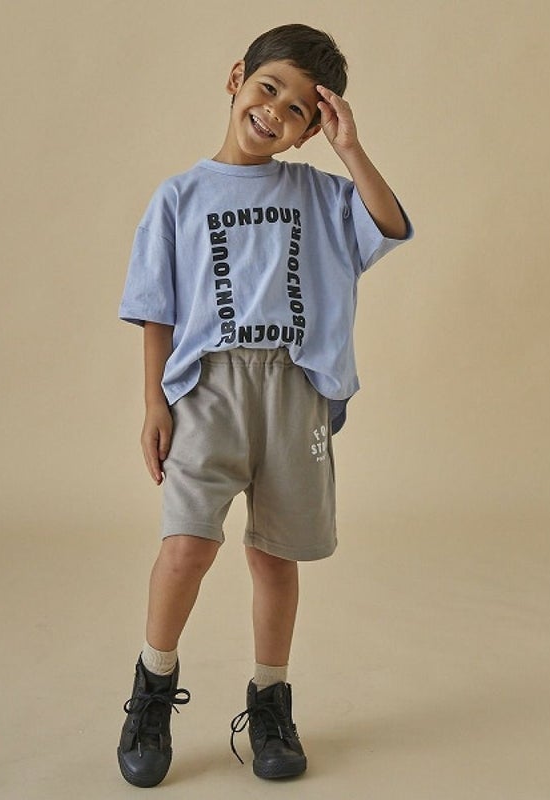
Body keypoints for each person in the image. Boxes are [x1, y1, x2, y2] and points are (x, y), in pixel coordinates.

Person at [116, 23, 413, 788]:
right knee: (186, 547)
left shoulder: (319, 193)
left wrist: (350, 148)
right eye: (267, 88)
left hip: (292, 389)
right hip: (206, 391)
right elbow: (155, 309)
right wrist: (153, 404)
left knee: (275, 554)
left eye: (297, 110)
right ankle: (152, 688)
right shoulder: (179, 196)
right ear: (236, 78)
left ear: (312, 129)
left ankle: (271, 702)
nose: (273, 111)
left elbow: (388, 225)